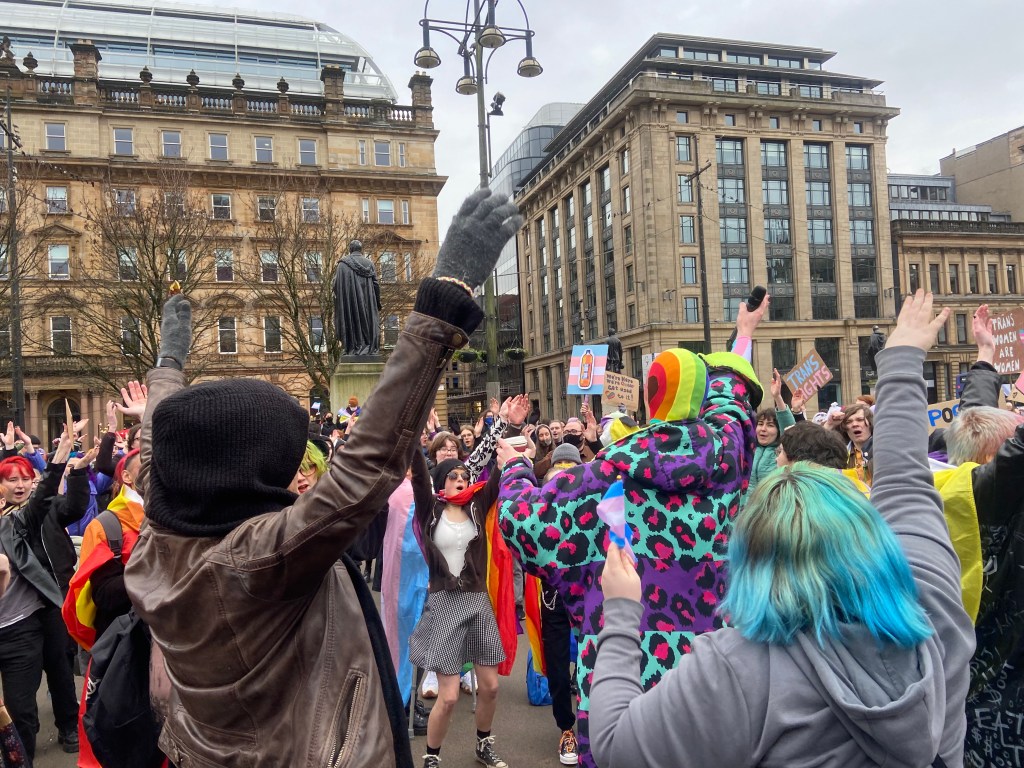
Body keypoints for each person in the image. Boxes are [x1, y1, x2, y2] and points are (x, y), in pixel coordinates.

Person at [124, 187, 522, 768]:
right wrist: (442, 305)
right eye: (287, 462)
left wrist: (168, 366)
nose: (299, 474)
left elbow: (165, 449)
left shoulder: (158, 542)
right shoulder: (254, 561)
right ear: (246, 475)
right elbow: (363, 468)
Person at [588, 290, 974, 768]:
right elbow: (906, 481)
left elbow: (613, 747)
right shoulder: (930, 601)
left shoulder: (737, 667)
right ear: (870, 534)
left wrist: (623, 613)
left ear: (750, 558)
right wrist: (902, 359)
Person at [497, 299, 768, 768]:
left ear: (649, 399)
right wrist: (742, 335)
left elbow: (522, 521)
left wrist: (516, 468)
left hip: (623, 687)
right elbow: (732, 401)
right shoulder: (728, 461)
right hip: (717, 680)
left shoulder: (599, 481)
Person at [940, 304, 1024, 766]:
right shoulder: (1005, 508)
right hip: (1009, 711)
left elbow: (971, 424)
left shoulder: (947, 491)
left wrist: (985, 358)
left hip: (959, 706)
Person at [409, 458, 510, 768]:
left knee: (491, 687)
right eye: (453, 475)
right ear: (442, 481)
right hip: (445, 602)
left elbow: (498, 473)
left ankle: (483, 743)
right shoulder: (431, 509)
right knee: (449, 696)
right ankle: (432, 757)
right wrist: (412, 428)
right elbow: (417, 474)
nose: (461, 479)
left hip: (477, 600)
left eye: (465, 475)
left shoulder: (477, 505)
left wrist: (504, 425)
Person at [0, 421, 89, 760]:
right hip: (18, 618)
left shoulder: (29, 516)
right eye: (12, 480)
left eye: (25, 479)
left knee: (58, 669)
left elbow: (52, 496)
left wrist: (64, 458)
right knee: (18, 704)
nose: (20, 485)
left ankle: (67, 726)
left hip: (44, 605)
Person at [747, 368, 796, 489]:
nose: (763, 429)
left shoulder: (782, 452)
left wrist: (777, 397)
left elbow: (789, 428)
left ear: (779, 430)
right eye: (760, 424)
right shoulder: (749, 448)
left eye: (770, 425)